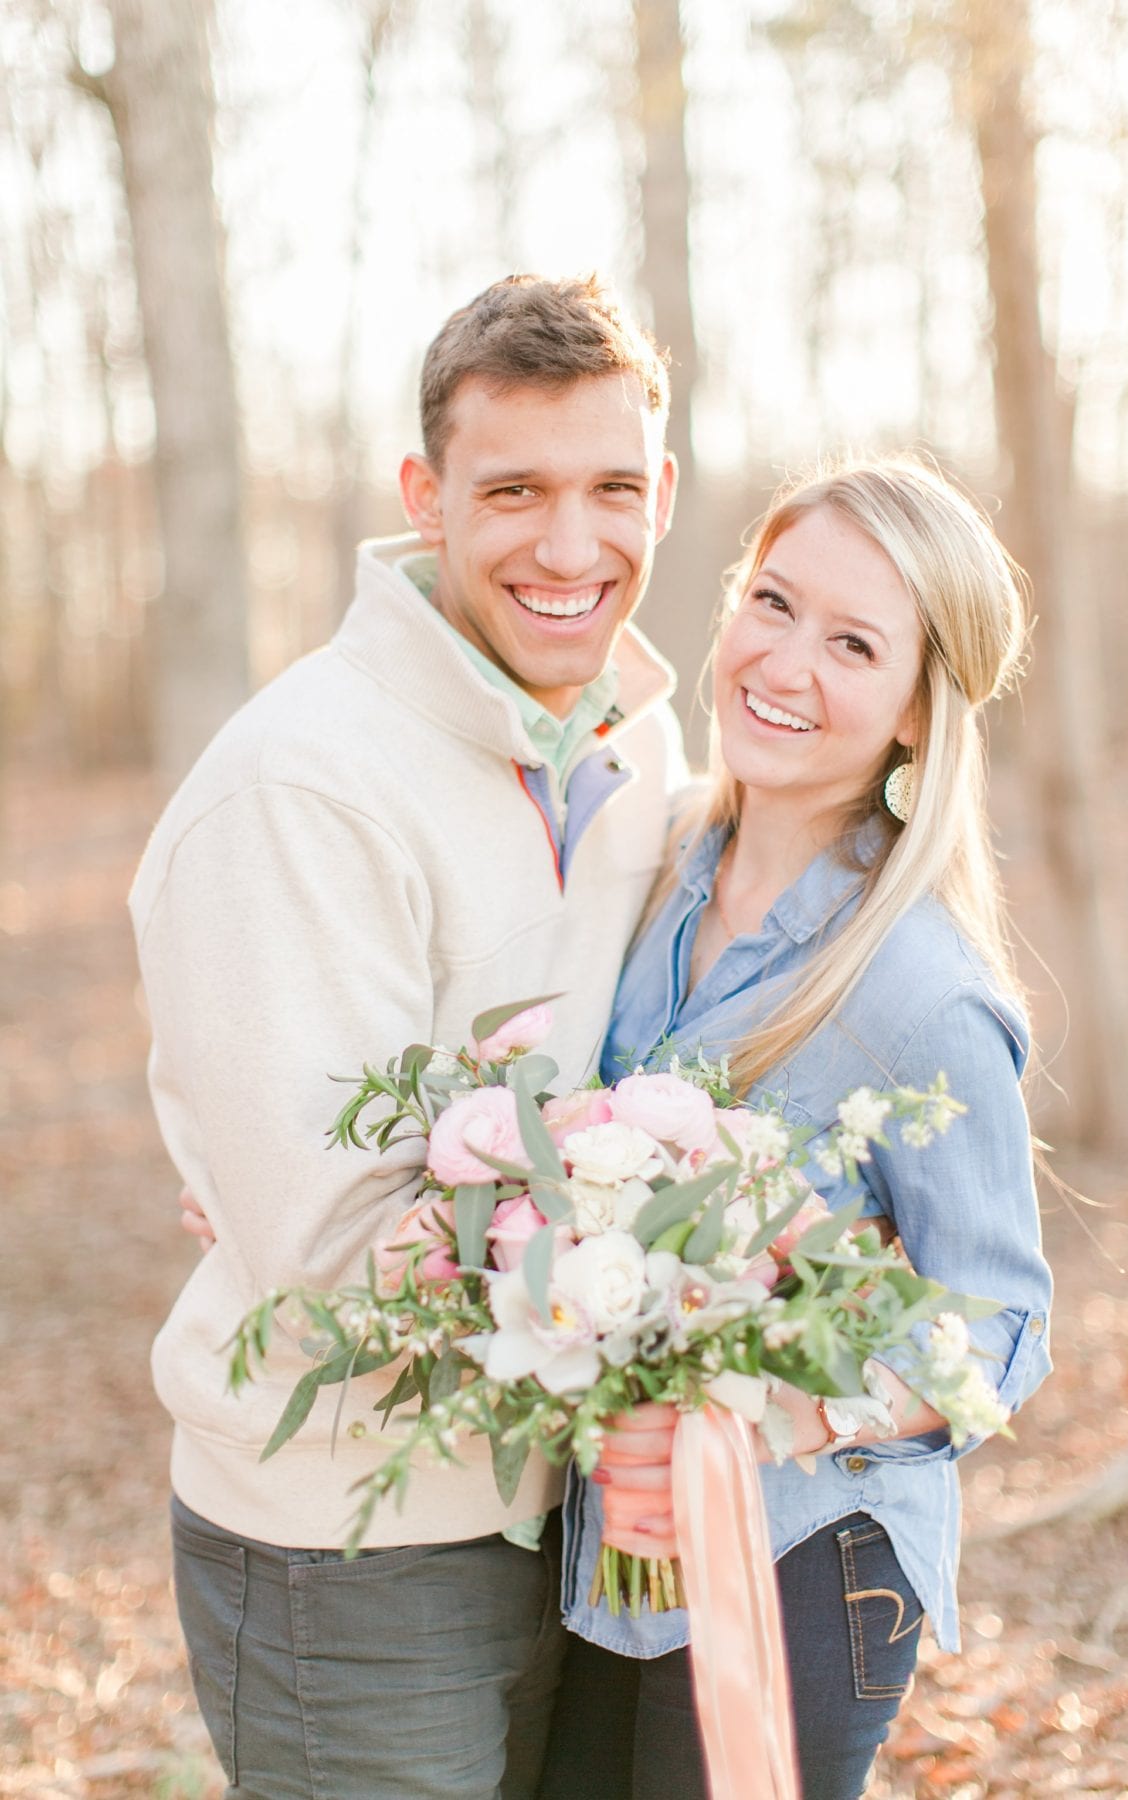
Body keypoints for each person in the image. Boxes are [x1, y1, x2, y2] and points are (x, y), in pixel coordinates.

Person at [129, 273, 684, 1800]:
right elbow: (327, 1245)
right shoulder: (299, 788)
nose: (570, 548)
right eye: (514, 491)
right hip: (349, 1547)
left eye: (611, 489)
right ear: (425, 496)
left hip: (584, 1518)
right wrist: (678, 1303)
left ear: (664, 491)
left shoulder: (645, 742)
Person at [536, 458, 1054, 1800]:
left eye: (852, 644)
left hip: (803, 1564)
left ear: (911, 714)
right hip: (606, 1544)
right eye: (771, 602)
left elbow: (999, 1326)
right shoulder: (643, 875)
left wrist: (773, 1411)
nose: (783, 661)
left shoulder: (918, 995)